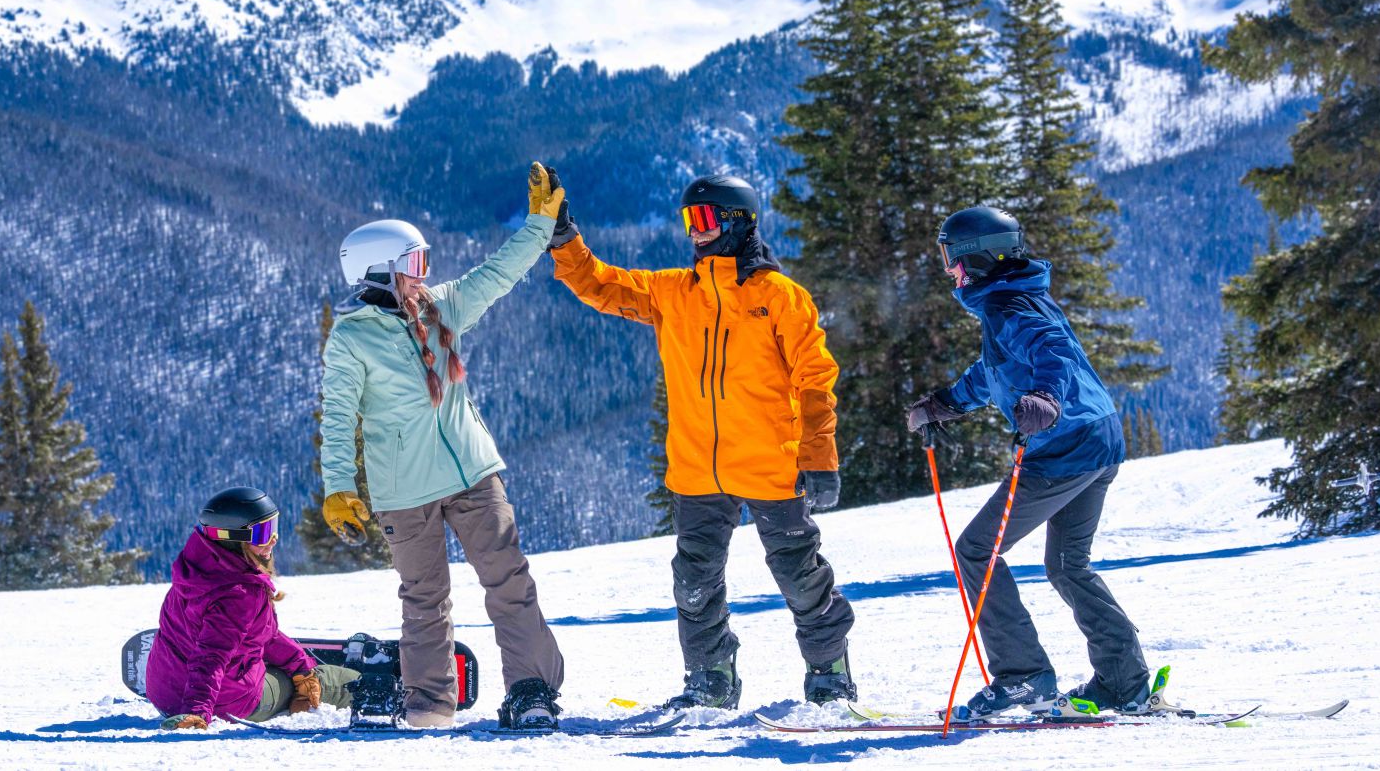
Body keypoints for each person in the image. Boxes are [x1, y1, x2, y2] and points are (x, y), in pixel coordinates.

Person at [546, 171, 856, 708]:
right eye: (690, 219)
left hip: (769, 465)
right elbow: (600, 284)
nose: (695, 230)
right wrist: (564, 238)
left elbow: (815, 379)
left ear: (739, 222)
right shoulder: (673, 293)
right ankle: (711, 678)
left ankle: (829, 672)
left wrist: (820, 457)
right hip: (697, 471)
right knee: (694, 584)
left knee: (800, 577)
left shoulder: (779, 297)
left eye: (706, 218)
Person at [319, 163, 568, 730]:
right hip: (405, 491)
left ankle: (531, 690)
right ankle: (429, 707)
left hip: (473, 474)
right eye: (413, 266)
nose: (424, 276)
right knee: (424, 600)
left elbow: (497, 273)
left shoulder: (442, 308)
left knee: (510, 580)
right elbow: (338, 418)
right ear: (378, 273)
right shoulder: (352, 338)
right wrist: (338, 487)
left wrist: (539, 225)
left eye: (424, 263)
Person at [905, 206, 1151, 721]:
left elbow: (1053, 352)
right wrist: (947, 402)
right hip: (1098, 436)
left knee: (976, 550)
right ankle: (1124, 682)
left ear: (978, 257)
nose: (950, 270)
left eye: (951, 258)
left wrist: (1046, 398)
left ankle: (1023, 678)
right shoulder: (1015, 298)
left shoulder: (1009, 305)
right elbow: (995, 368)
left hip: (1065, 447)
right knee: (1067, 565)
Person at [145, 486, 359, 730]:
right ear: (232, 537)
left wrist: (300, 666)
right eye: (263, 532)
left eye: (274, 527)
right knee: (327, 680)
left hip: (164, 695)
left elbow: (261, 634)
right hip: (225, 703)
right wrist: (197, 712)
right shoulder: (240, 593)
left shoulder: (194, 569)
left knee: (297, 671)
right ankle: (382, 692)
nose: (273, 539)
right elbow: (211, 657)